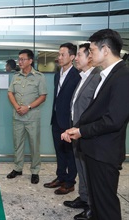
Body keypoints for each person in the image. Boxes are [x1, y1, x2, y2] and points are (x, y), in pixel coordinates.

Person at [62, 29, 129, 220]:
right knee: (98, 206)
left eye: (91, 50)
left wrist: (82, 131)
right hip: (95, 150)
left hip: (105, 153)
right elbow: (95, 112)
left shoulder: (123, 76)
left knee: (106, 207)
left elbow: (113, 120)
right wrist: (76, 128)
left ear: (105, 49)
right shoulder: (106, 74)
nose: (90, 55)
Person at [62, 43, 101, 220]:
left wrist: (81, 129)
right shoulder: (83, 76)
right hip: (76, 131)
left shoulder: (97, 78)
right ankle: (84, 198)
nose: (76, 58)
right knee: (81, 168)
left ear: (90, 57)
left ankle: (93, 207)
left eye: (79, 55)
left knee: (89, 171)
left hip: (87, 133)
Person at [44, 42, 80, 195]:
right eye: (58, 54)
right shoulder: (57, 74)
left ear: (72, 57)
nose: (59, 57)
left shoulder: (77, 75)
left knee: (70, 154)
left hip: (69, 122)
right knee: (59, 151)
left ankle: (70, 182)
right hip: (56, 119)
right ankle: (61, 177)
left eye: (62, 54)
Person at [7, 49, 47, 184]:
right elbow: (10, 93)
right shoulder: (15, 76)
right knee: (18, 144)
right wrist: (16, 106)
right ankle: (18, 168)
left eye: (23, 59)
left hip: (32, 117)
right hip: (17, 116)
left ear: (30, 61)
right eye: (19, 59)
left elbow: (43, 96)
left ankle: (35, 171)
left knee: (34, 145)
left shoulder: (39, 77)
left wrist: (28, 107)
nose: (20, 62)